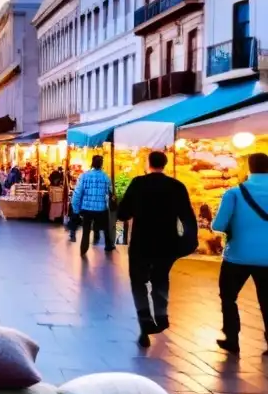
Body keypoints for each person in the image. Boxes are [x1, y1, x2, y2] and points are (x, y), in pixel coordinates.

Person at [116, 151, 197, 347]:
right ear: (165, 164)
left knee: (138, 282)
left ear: (148, 163)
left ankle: (144, 323)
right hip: (166, 242)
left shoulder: (138, 184)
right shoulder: (176, 186)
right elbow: (187, 215)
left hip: (141, 242)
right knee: (160, 278)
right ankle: (161, 315)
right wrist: (189, 240)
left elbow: (123, 213)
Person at [212, 152, 268, 354]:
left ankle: (232, 338)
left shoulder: (234, 193)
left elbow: (218, 225)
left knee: (228, 296)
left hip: (238, 255)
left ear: (249, 168)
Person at [71, 155, 115, 256]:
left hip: (87, 208)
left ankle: (83, 250)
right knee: (106, 228)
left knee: (85, 232)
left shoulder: (84, 176)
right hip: (101, 209)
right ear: (101, 164)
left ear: (92, 163)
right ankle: (108, 245)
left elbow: (77, 193)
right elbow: (110, 193)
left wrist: (76, 209)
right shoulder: (105, 177)